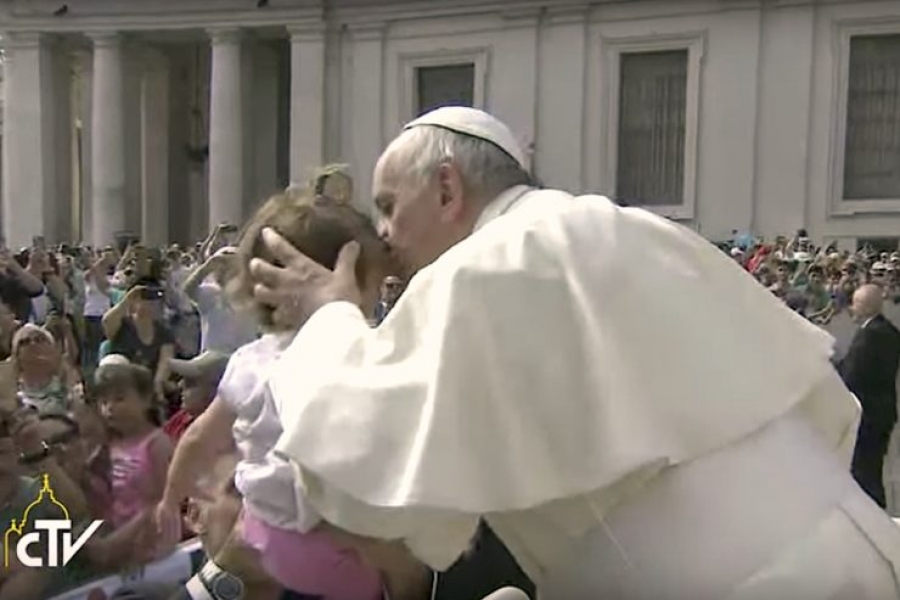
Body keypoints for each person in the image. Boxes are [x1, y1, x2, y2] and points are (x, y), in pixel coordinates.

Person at [251, 106, 900, 599]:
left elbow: (363, 462)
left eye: (390, 207)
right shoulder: (631, 227)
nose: (386, 235)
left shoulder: (484, 266)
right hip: (854, 541)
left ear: (447, 189)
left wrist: (327, 315)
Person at [157, 191, 428, 600]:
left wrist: (168, 501)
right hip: (337, 544)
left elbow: (197, 439)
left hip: (264, 535)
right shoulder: (363, 354)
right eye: (374, 284)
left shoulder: (249, 360)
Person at [839, 284, 900, 508]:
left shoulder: (870, 335)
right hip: (882, 412)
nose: (851, 308)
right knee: (871, 470)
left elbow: (852, 375)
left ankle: (873, 517)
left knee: (864, 472)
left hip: (869, 415)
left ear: (865, 306)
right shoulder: (889, 331)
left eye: (855, 303)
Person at [163, 352, 230, 444]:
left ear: (215, 389)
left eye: (190, 382)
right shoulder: (180, 419)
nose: (180, 385)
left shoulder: (228, 432)